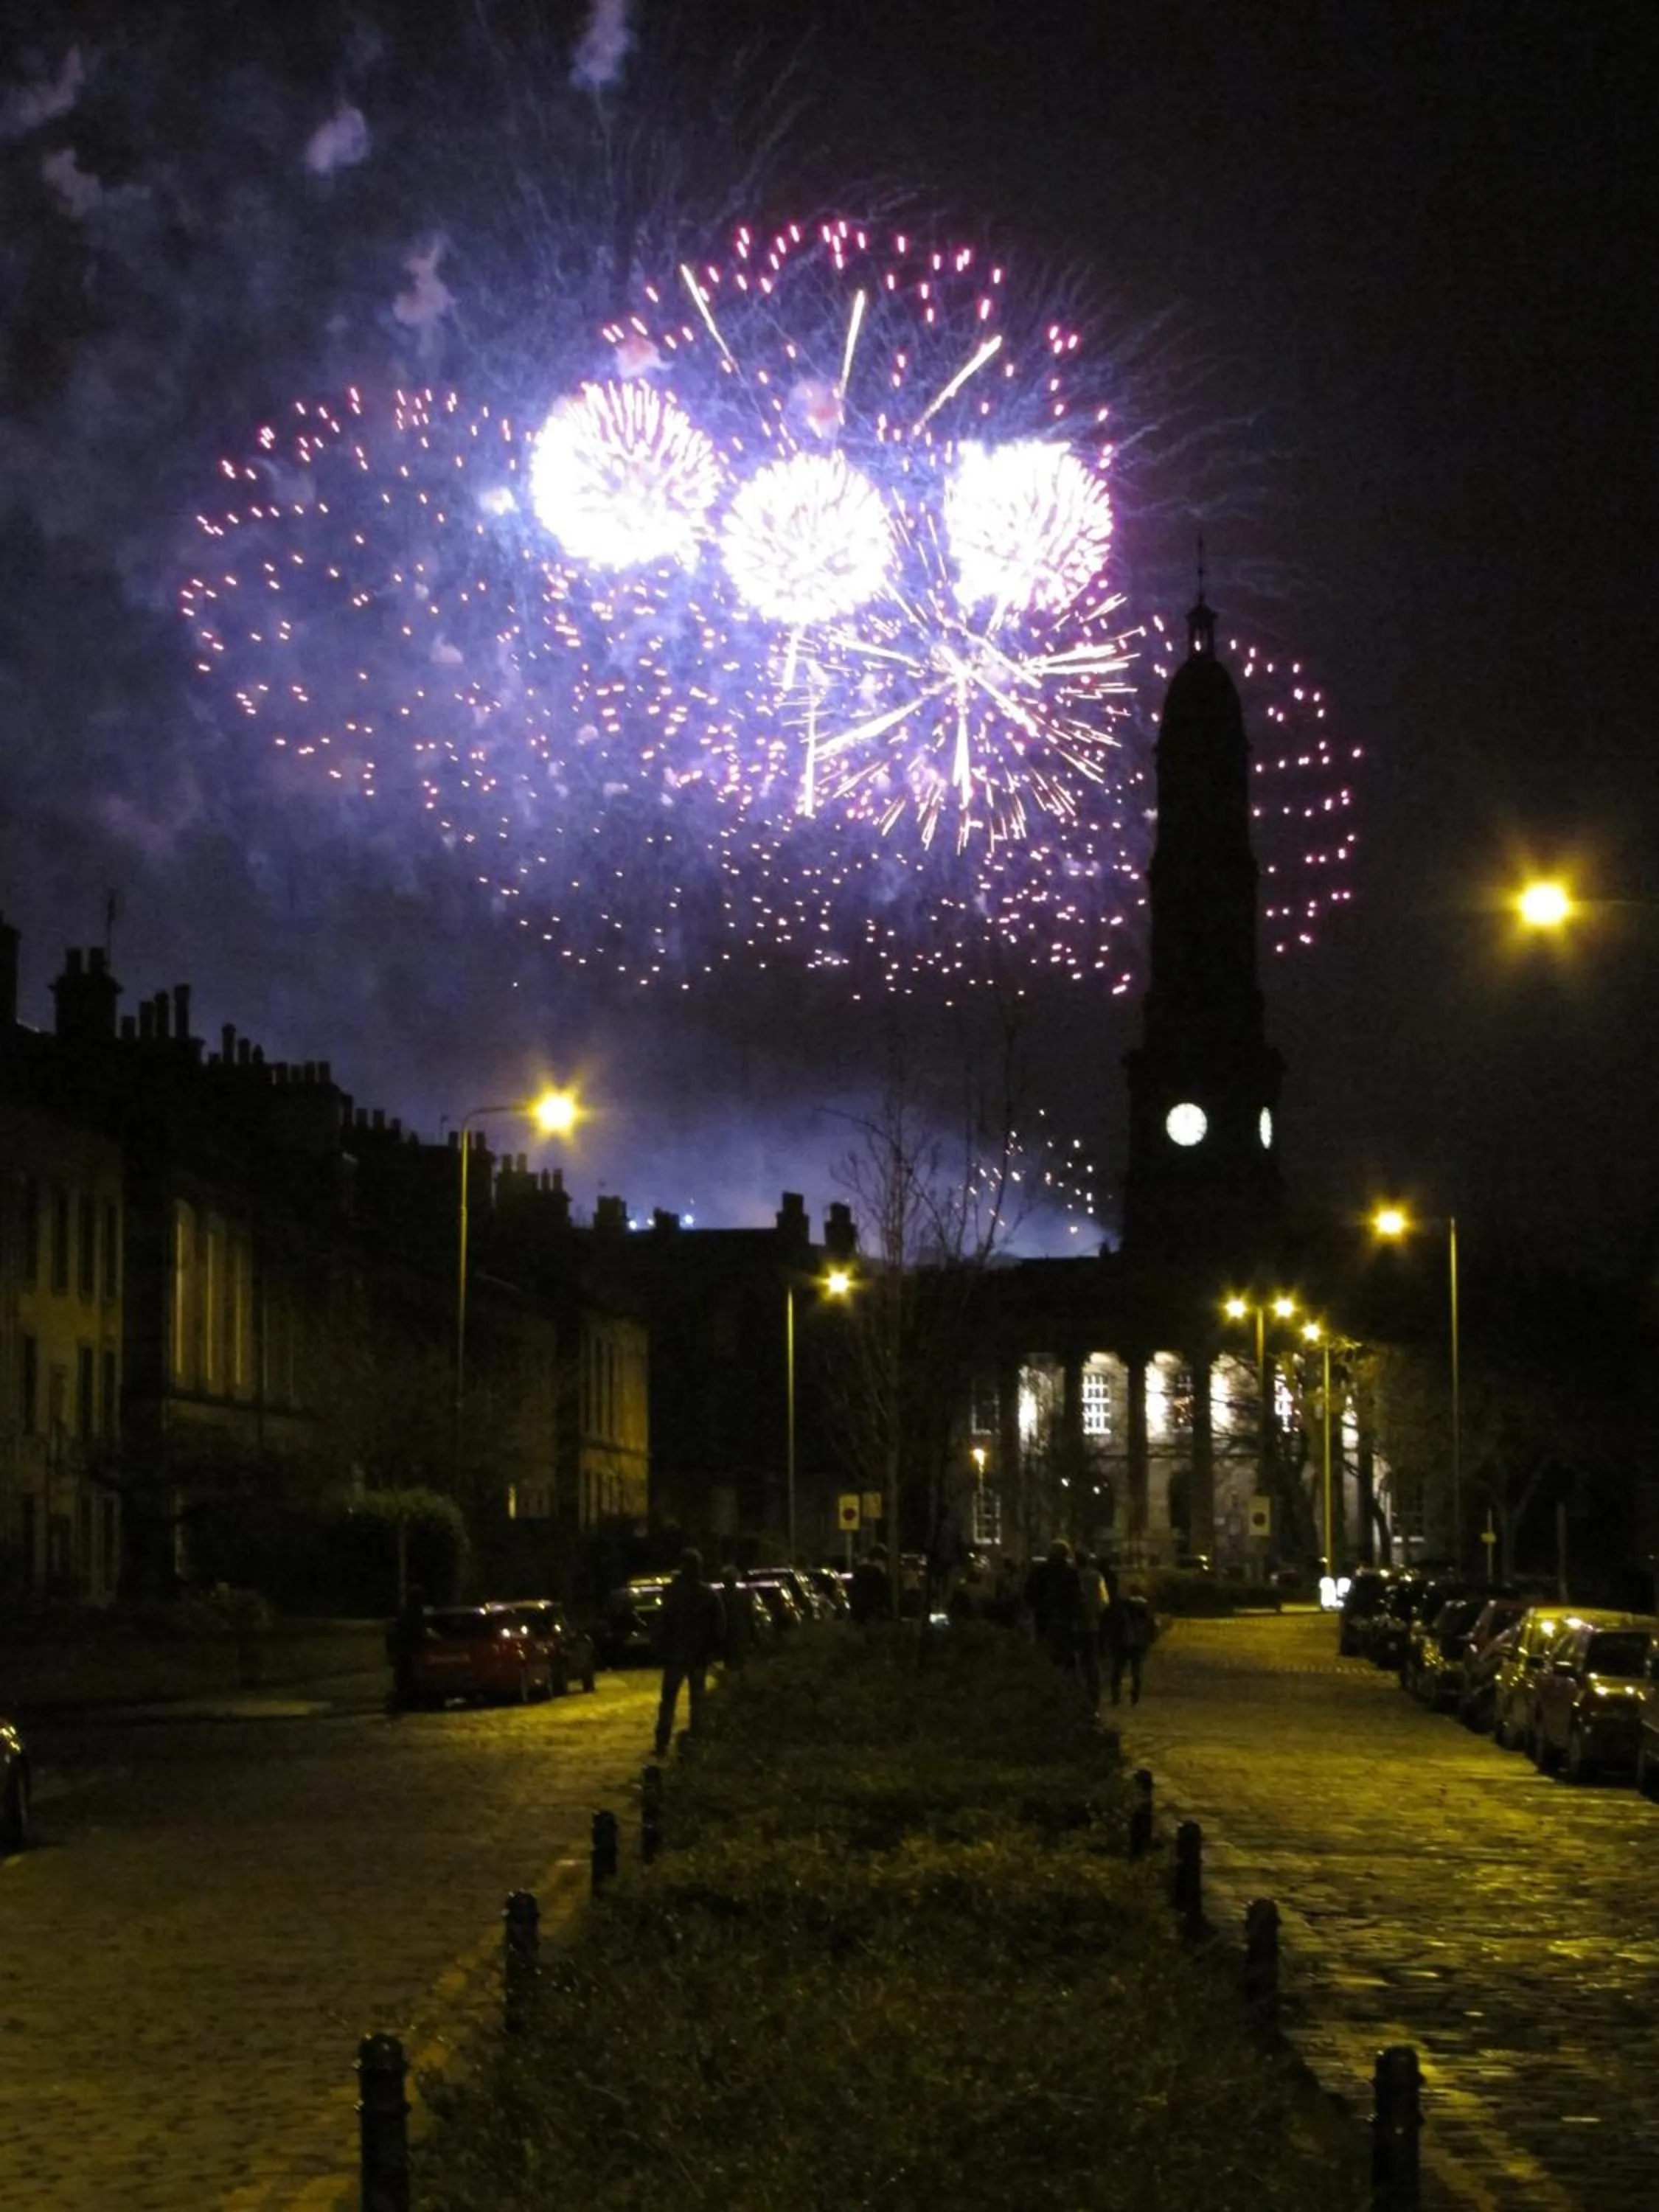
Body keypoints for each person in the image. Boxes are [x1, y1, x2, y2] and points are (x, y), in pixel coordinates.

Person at [654, 1548, 725, 1756]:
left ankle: (663, 1741)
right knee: (696, 1701)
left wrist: (661, 1648)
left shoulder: (673, 1594)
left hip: (678, 1655)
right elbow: (719, 1626)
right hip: (695, 1655)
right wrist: (713, 1650)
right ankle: (695, 1739)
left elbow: (662, 1623)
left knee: (671, 1701)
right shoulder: (706, 1594)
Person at [1024, 1539, 1084, 1672]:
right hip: (1065, 1621)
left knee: (1045, 1657)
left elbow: (1028, 1595)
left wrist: (1038, 1607)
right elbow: (1077, 1598)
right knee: (1066, 1658)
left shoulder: (1039, 1572)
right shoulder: (1070, 1573)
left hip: (1043, 1620)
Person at [1076, 1551, 1109, 1715]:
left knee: (1076, 1661)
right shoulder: (1096, 1576)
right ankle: (1093, 1697)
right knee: (1092, 1661)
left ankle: (1077, 1695)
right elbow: (1104, 1601)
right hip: (1091, 1624)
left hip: (1074, 1624)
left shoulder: (1073, 1576)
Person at [1111, 1587, 1156, 1705]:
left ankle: (1116, 1695)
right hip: (1140, 1641)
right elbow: (1151, 1624)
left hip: (1124, 1640)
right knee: (1136, 1668)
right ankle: (1135, 1695)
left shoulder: (1123, 1606)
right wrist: (1150, 1638)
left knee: (1119, 1668)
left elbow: (1117, 1623)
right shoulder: (1146, 1607)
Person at [717, 1564, 756, 1669]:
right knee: (740, 1665)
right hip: (740, 1636)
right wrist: (754, 1638)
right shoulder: (744, 1596)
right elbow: (750, 1618)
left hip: (726, 1637)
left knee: (729, 1665)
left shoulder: (718, 1597)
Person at [849, 1544, 891, 1625]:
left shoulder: (857, 1573)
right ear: (878, 1560)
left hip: (857, 1616)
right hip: (873, 1616)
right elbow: (884, 1596)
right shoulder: (877, 1575)